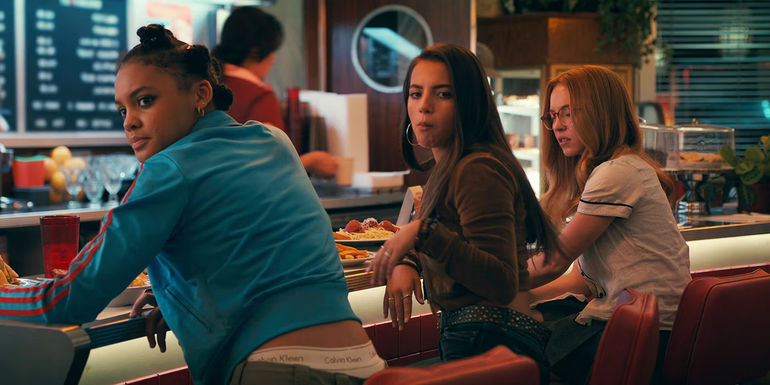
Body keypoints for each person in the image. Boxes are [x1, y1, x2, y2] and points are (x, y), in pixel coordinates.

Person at [0, 25, 384, 385]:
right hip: (365, 363)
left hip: (275, 369)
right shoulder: (275, 140)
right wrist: (175, 296)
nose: (130, 122)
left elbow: (70, 300)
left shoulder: (168, 168)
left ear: (201, 94)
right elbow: (260, 256)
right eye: (123, 110)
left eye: (145, 101)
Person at [367, 43, 560, 384]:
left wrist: (421, 232)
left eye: (443, 94)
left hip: (493, 342)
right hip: (483, 339)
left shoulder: (477, 168)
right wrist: (408, 260)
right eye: (415, 93)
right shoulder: (451, 167)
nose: (424, 106)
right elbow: (457, 240)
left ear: (469, 103)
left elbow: (501, 283)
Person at [527, 65, 691, 384]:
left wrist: (493, 282)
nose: (557, 125)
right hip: (644, 325)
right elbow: (580, 280)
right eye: (553, 116)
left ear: (600, 114)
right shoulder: (616, 169)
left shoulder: (617, 172)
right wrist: (522, 296)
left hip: (647, 335)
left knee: (515, 353)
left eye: (568, 113)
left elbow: (554, 261)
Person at [213, 6, 338, 179]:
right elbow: (271, 169)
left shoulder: (204, 87)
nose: (273, 59)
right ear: (256, 51)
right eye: (271, 51)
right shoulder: (259, 97)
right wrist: (311, 162)